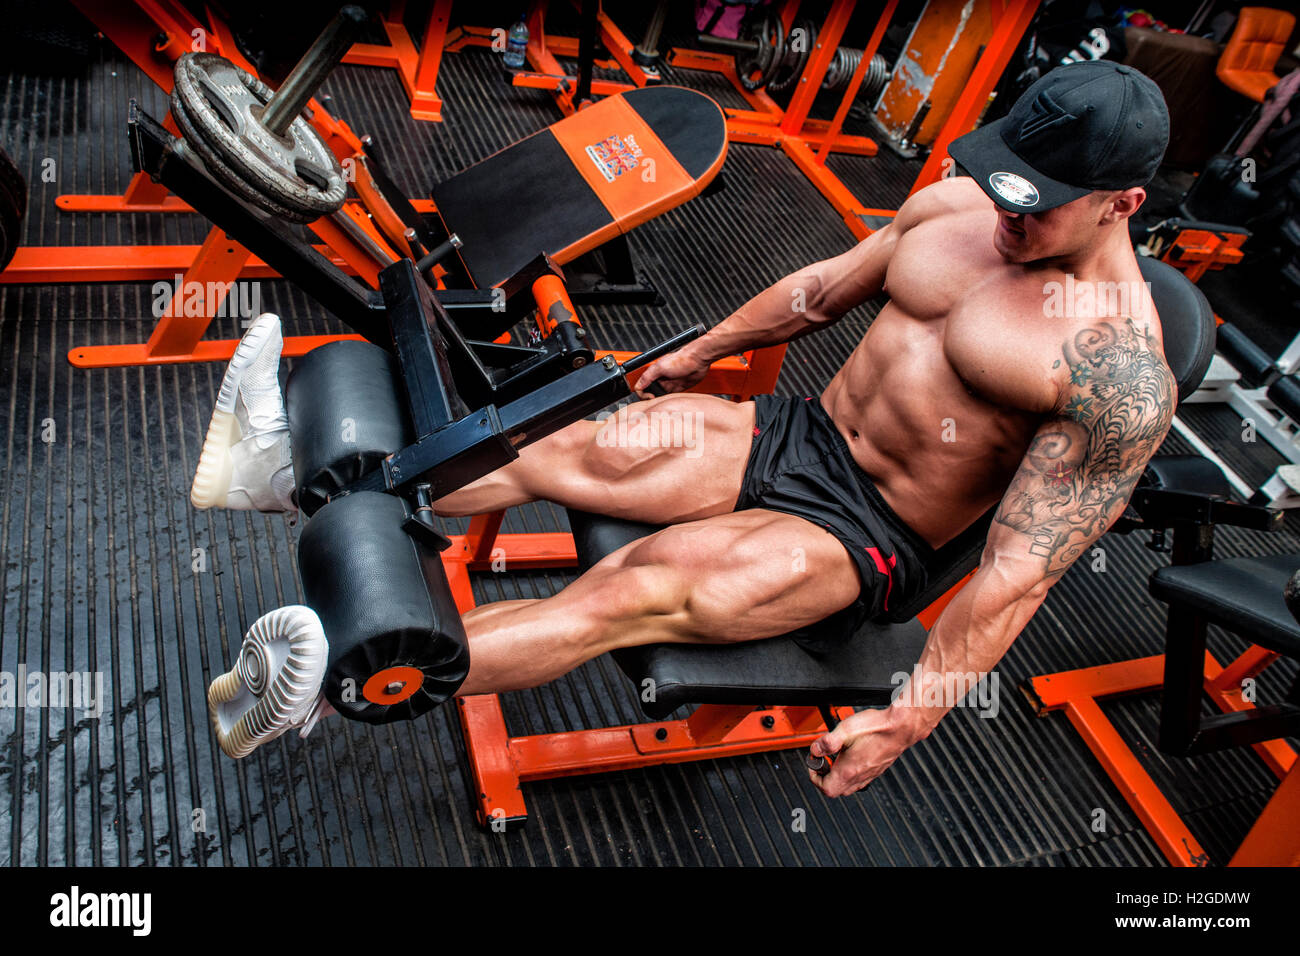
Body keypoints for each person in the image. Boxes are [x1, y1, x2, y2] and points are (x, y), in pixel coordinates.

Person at [193, 61, 1174, 795]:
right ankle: (294, 472)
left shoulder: (1118, 374)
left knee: (630, 584)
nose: (1006, 213)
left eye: (1038, 207)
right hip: (797, 433)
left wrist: (905, 719)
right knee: (569, 443)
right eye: (1003, 180)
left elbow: (1016, 574)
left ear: (1122, 204)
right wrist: (703, 351)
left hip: (865, 535)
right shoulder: (957, 205)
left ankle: (335, 675)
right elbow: (818, 290)